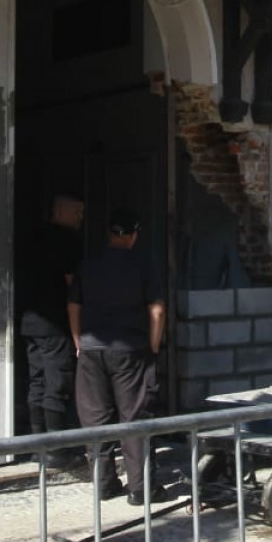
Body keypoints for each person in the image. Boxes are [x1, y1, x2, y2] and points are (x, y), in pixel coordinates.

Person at [68, 206, 165, 504]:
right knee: (134, 417)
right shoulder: (143, 264)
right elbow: (157, 310)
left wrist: (78, 343)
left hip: (91, 350)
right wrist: (154, 345)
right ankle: (140, 489)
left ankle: (104, 484)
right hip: (130, 350)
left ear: (110, 234)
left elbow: (73, 307)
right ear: (134, 235)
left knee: (96, 419)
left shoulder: (89, 264)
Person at [21, 194, 84, 456]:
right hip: (54, 324)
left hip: (29, 323)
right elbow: (72, 283)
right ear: (60, 213)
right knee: (56, 384)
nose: (81, 219)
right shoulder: (66, 240)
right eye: (77, 213)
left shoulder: (33, 238)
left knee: (37, 382)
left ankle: (38, 445)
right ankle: (56, 452)